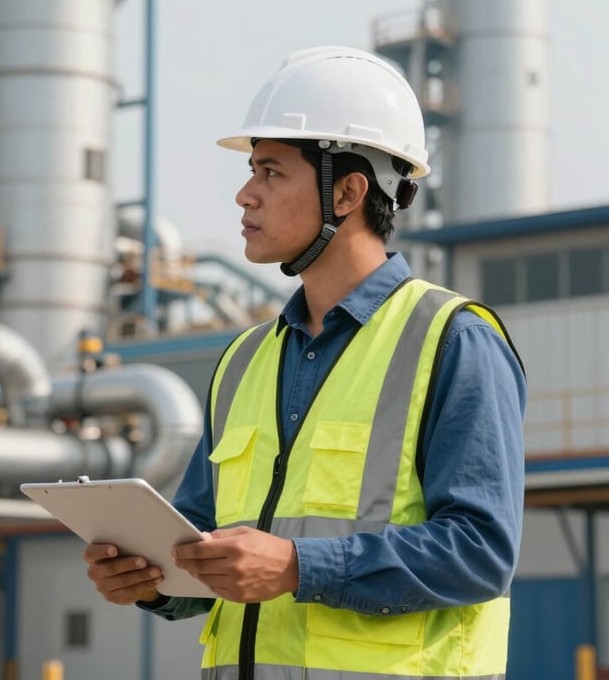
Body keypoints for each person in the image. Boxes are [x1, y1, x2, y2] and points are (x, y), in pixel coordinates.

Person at [84, 47, 526, 680]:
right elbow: (208, 549)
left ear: (348, 191)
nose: (244, 194)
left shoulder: (453, 340)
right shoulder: (242, 361)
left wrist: (298, 566)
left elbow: (481, 553)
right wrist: (151, 580)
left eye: (269, 172)